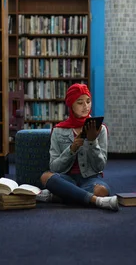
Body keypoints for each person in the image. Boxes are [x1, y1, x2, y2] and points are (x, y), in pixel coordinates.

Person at [36, 83, 119, 211]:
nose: (86, 106)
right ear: (71, 105)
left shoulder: (100, 129)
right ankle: (95, 201)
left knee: (102, 190)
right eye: (80, 102)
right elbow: (54, 167)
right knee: (45, 177)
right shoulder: (58, 130)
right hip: (66, 178)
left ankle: (59, 196)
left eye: (88, 101)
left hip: (90, 179)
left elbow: (100, 167)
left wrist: (92, 142)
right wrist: (71, 149)